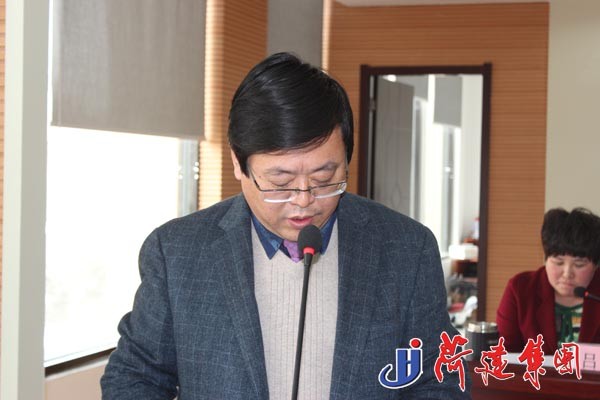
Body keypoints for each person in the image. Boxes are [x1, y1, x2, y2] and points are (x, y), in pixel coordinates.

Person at [101, 52, 468, 399]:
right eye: (280, 182)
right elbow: (135, 377)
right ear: (239, 163)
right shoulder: (177, 252)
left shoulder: (406, 249)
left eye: (325, 178)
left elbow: (438, 380)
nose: (304, 200)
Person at [496, 207, 600, 354]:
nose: (567, 274)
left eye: (579, 265)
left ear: (596, 265)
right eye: (558, 262)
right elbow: (505, 353)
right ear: (545, 259)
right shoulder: (520, 289)